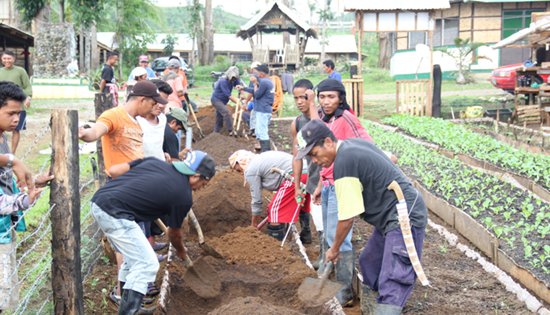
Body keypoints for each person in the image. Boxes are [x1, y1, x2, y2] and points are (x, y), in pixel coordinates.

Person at [295, 119, 427, 315]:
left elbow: (347, 218)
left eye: (314, 154)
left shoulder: (345, 163)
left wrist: (334, 249)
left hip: (404, 215)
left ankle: (387, 308)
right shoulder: (349, 147)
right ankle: (373, 308)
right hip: (388, 218)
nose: (314, 161)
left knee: (394, 276)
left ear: (328, 142)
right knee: (369, 261)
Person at [91, 151, 216, 314]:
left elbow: (114, 171)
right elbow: (174, 234)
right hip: (115, 213)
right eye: (204, 183)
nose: (202, 188)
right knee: (147, 263)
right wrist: (181, 251)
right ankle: (129, 312)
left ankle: (126, 304)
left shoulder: (154, 163)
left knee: (132, 259)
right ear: (195, 176)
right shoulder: (182, 195)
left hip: (100, 201)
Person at [312, 78, 373, 306]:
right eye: (322, 96)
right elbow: (323, 157)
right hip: (328, 183)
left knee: (340, 237)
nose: (326, 101)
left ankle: (345, 292)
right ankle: (335, 283)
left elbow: (367, 145)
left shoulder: (347, 117)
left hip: (343, 184)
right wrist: (320, 183)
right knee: (330, 235)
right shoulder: (324, 118)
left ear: (340, 98)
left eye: (331, 97)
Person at [0, 81, 53, 311]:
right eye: (10, 113)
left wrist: (31, 182)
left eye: (19, 114)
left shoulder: (2, 137)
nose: (16, 119)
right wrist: (25, 200)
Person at [228, 150, 310, 241]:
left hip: (294, 174)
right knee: (301, 203)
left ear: (240, 162)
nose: (240, 173)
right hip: (307, 171)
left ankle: (277, 247)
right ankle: (306, 235)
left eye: (238, 169)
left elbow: (256, 200)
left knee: (274, 210)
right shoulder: (259, 160)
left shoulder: (250, 169)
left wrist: (254, 225)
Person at [290, 79, 321, 248]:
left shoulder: (324, 116)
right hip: (314, 180)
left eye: (304, 97)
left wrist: (314, 104)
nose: (300, 101)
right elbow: (297, 158)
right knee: (321, 225)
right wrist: (296, 187)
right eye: (296, 98)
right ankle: (325, 259)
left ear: (311, 95)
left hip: (332, 180)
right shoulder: (297, 123)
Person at [0, 50, 32, 154]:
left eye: (9, 58)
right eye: (4, 58)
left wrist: (28, 97)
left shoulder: (20, 71)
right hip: (3, 106)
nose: (7, 60)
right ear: (1, 59)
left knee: (16, 129)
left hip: (17, 105)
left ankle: (12, 153)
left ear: (14, 59)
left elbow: (27, 86)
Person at [237, 63, 274, 152]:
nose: (255, 74)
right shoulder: (266, 81)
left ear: (261, 74)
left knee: (262, 132)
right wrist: (243, 88)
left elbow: (256, 94)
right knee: (259, 131)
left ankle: (266, 152)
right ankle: (263, 150)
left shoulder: (265, 82)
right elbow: (255, 91)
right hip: (262, 110)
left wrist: (254, 83)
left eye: (256, 72)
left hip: (263, 110)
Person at [211, 66, 241, 135]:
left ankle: (216, 133)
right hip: (216, 100)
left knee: (219, 117)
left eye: (234, 79)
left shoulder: (235, 79)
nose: (233, 80)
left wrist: (241, 92)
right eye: (232, 79)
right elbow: (229, 96)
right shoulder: (223, 81)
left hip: (224, 101)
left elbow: (239, 86)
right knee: (226, 112)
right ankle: (231, 131)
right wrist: (238, 102)